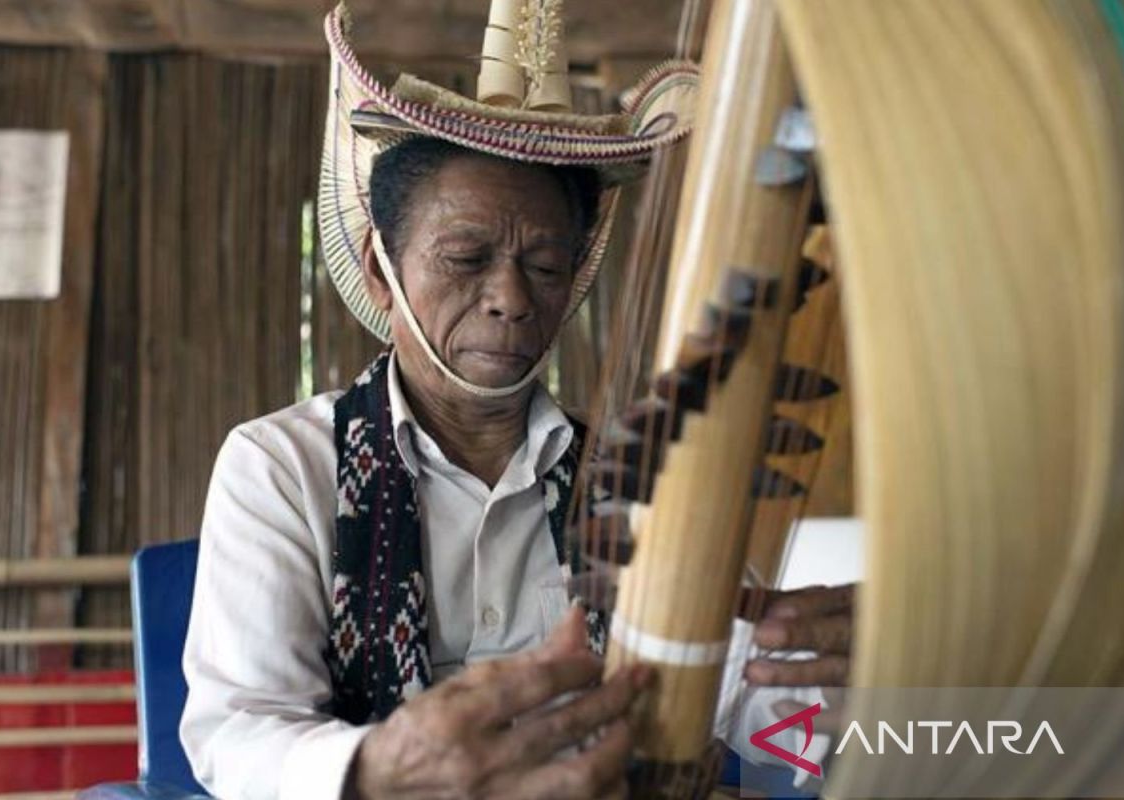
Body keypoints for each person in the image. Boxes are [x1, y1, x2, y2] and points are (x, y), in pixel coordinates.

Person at [180, 4, 853, 799]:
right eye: (466, 256)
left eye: (544, 265)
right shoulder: (283, 468)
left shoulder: (647, 484)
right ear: (377, 268)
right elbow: (239, 732)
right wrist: (377, 772)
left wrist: (838, 692)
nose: (509, 297)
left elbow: (785, 737)